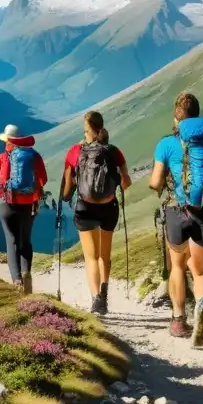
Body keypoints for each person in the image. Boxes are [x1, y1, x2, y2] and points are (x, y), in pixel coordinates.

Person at [148, 92, 203, 346]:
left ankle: (178, 320)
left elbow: (155, 183)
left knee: (177, 266)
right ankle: (202, 305)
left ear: (176, 119)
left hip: (177, 211)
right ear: (197, 116)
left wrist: (164, 179)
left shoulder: (166, 144)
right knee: (199, 271)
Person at [62, 111, 133, 314]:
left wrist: (68, 194)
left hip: (86, 208)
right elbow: (126, 183)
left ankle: (96, 299)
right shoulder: (114, 151)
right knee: (104, 255)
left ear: (87, 128)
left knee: (91, 257)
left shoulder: (75, 151)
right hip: (109, 208)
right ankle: (105, 288)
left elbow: (68, 190)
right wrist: (117, 179)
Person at [0, 124, 48, 294]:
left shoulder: (2, 158)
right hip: (28, 205)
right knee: (25, 240)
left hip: (7, 204)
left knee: (11, 240)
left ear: (7, 141)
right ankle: (27, 275)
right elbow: (43, 179)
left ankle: (17, 281)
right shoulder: (34, 156)